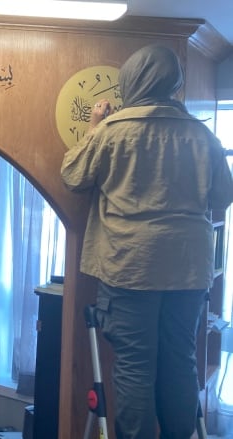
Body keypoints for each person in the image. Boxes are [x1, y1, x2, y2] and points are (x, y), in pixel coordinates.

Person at [61, 44, 233, 439]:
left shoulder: (112, 131)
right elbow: (223, 196)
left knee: (136, 365)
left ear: (131, 81)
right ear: (173, 83)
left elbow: (73, 176)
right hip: (189, 269)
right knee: (180, 360)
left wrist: (92, 127)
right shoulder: (202, 134)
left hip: (130, 264)